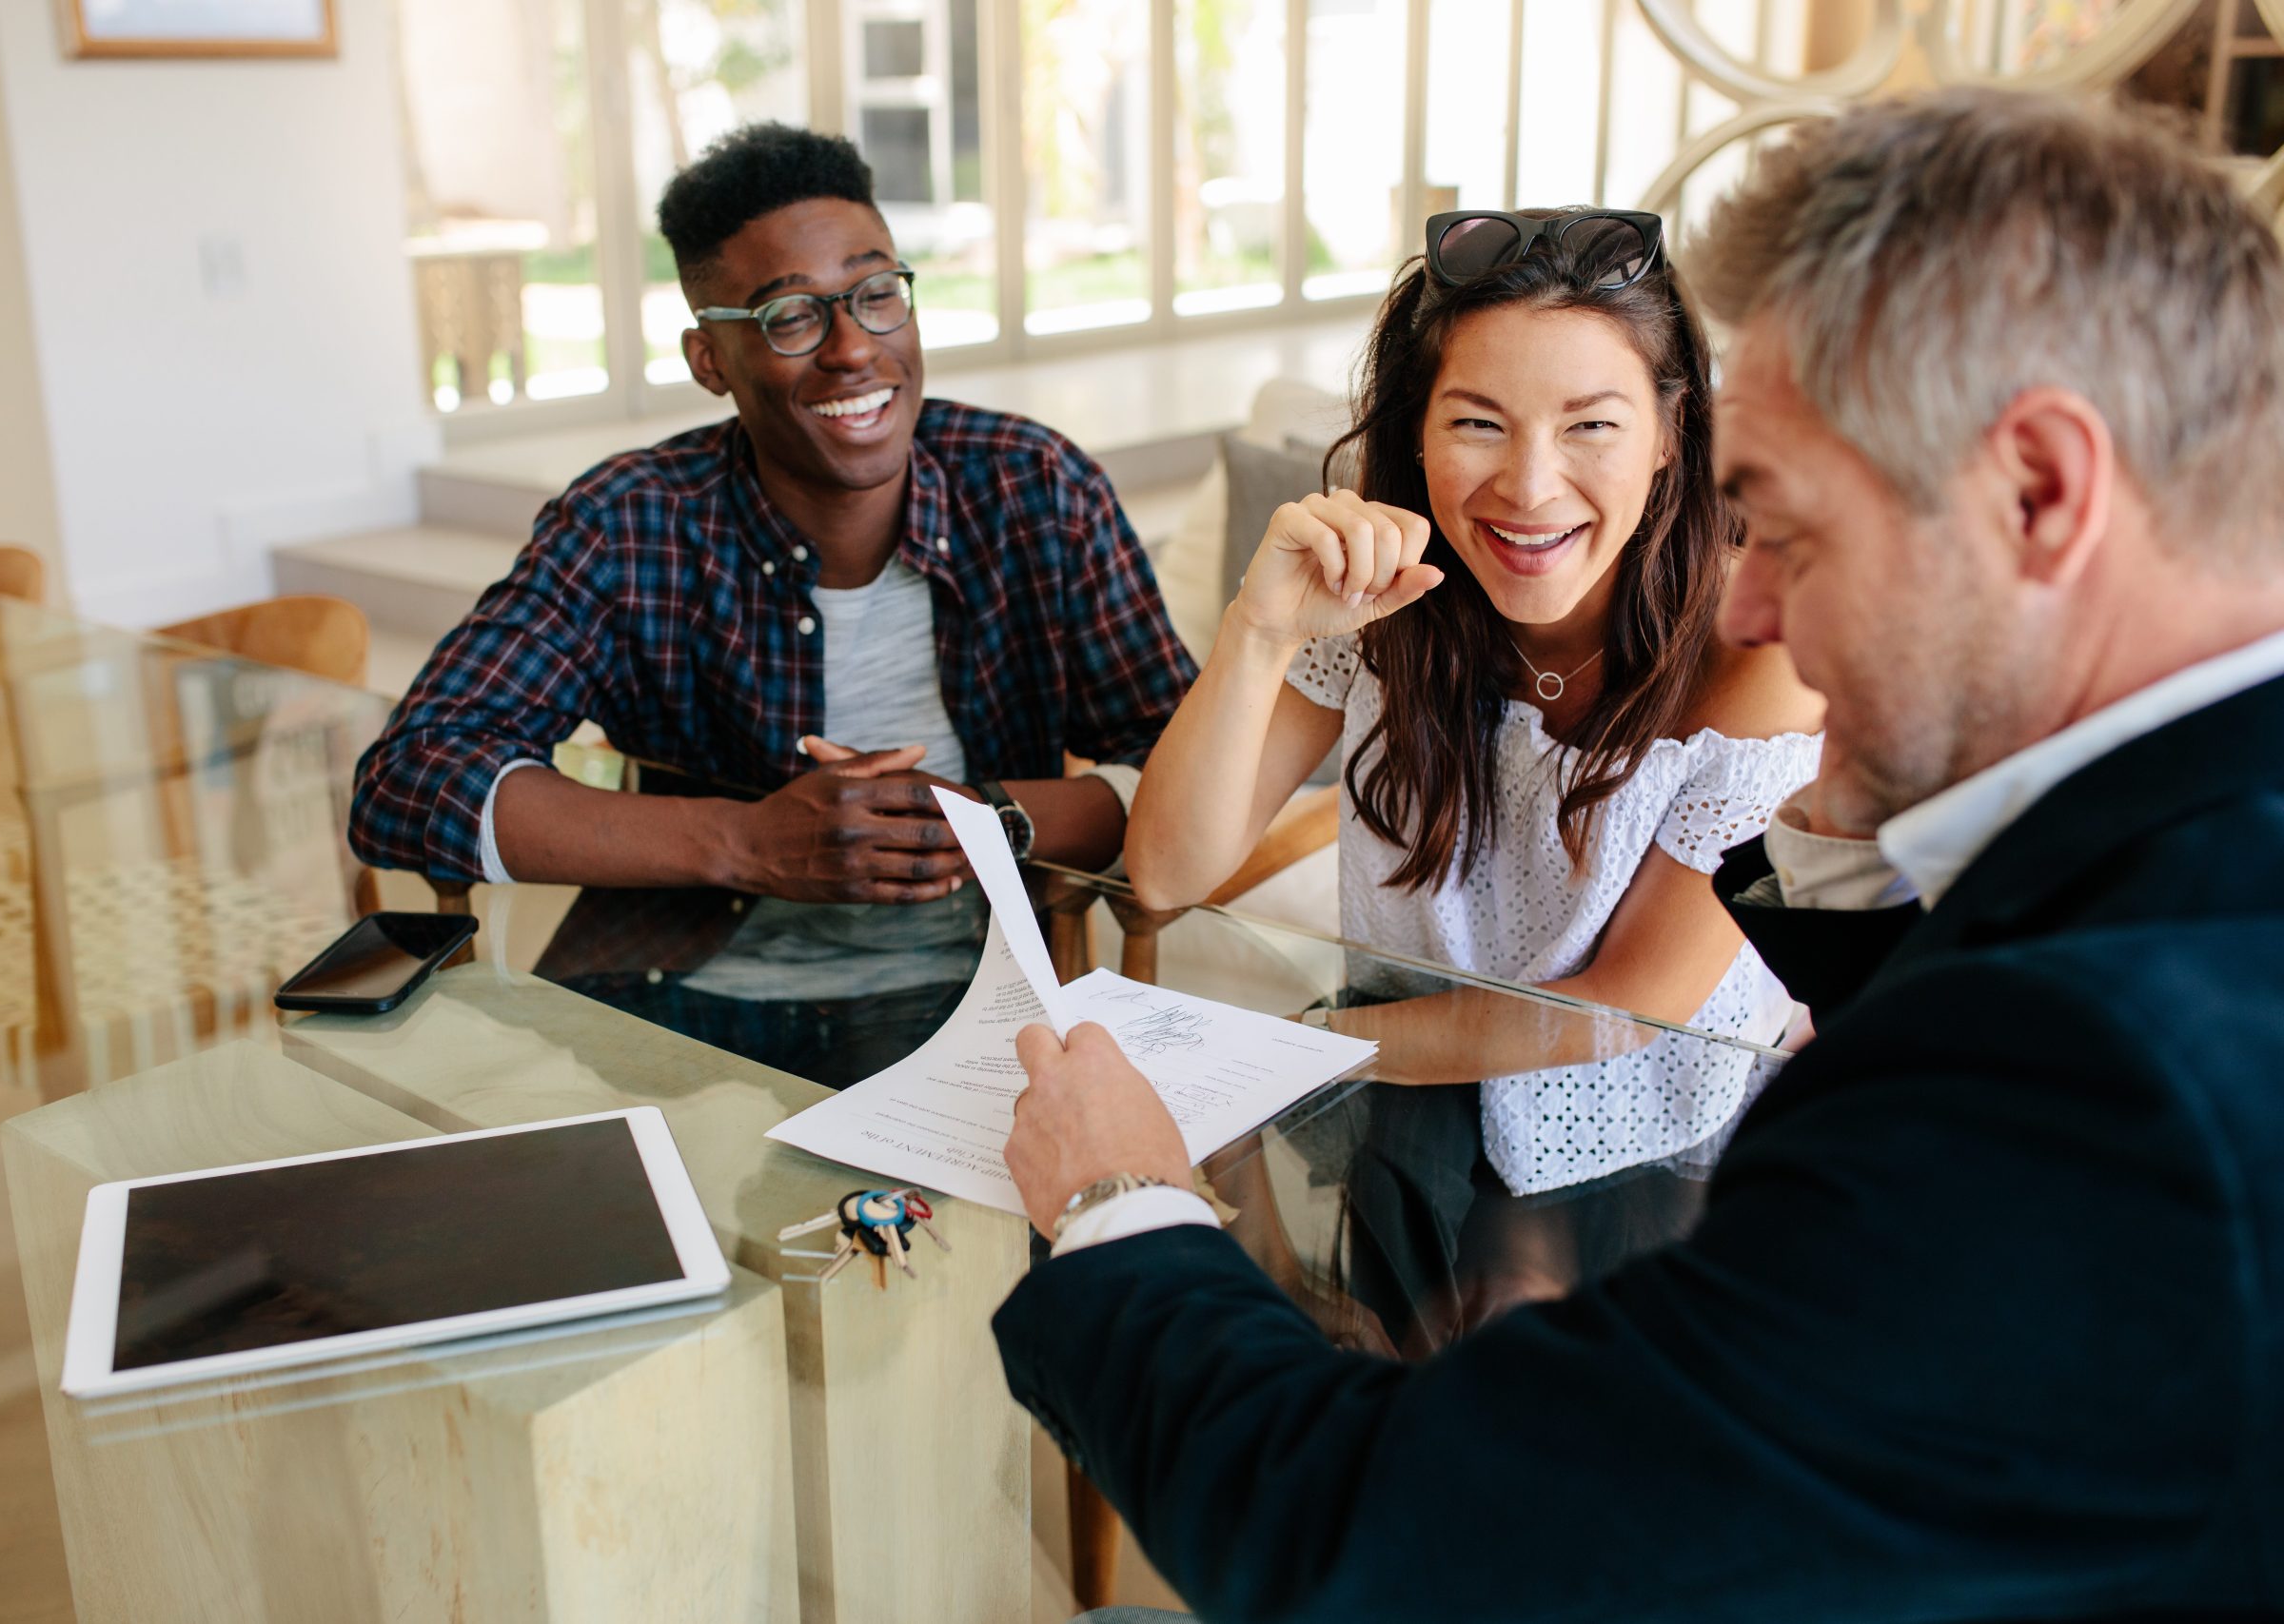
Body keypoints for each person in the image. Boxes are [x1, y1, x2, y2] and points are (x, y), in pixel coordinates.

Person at [998, 87, 2284, 1622]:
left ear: (2040, 492)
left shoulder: (2081, 1077)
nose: (1748, 609)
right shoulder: (2163, 883)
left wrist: (1125, 1198)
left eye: (1789, 530)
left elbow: (1428, 1554)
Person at [1124, 205, 1820, 1334]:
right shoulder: (1384, 614)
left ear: (1668, 431)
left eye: (1590, 424)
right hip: (1417, 1103)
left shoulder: (1755, 651)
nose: (1531, 488)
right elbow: (1161, 874)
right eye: (1478, 424)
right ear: (1414, 433)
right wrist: (1263, 629)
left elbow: (1628, 1010)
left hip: (1654, 1148)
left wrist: (1291, 1053)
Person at [349, 124, 1192, 900]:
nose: (855, 347)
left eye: (875, 291)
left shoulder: (1035, 488)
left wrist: (985, 820)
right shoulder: (629, 525)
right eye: (790, 315)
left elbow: (1184, 767)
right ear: (709, 360)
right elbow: (409, 777)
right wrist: (748, 841)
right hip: (691, 1007)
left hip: (991, 1003)